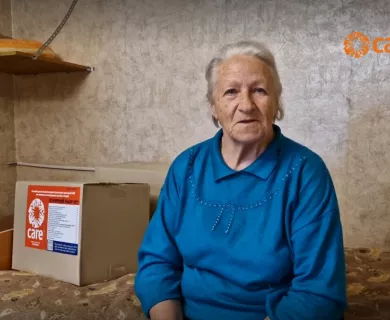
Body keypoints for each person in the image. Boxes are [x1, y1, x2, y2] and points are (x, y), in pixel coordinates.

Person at [134, 40, 347, 320]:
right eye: (231, 92)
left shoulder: (306, 172)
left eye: (259, 90)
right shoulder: (186, 167)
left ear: (276, 103)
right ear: (213, 107)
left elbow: (318, 293)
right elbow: (157, 263)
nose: (246, 105)